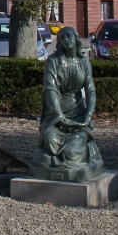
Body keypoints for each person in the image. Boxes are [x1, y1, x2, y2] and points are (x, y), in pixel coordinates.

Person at [30, 26, 104, 181]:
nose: (65, 40)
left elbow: (90, 91)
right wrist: (59, 117)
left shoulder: (84, 62)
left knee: (71, 150)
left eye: (69, 36)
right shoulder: (53, 61)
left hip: (78, 114)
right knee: (50, 141)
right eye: (62, 37)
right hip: (56, 116)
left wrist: (88, 117)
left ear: (76, 38)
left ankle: (81, 152)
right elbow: (50, 90)